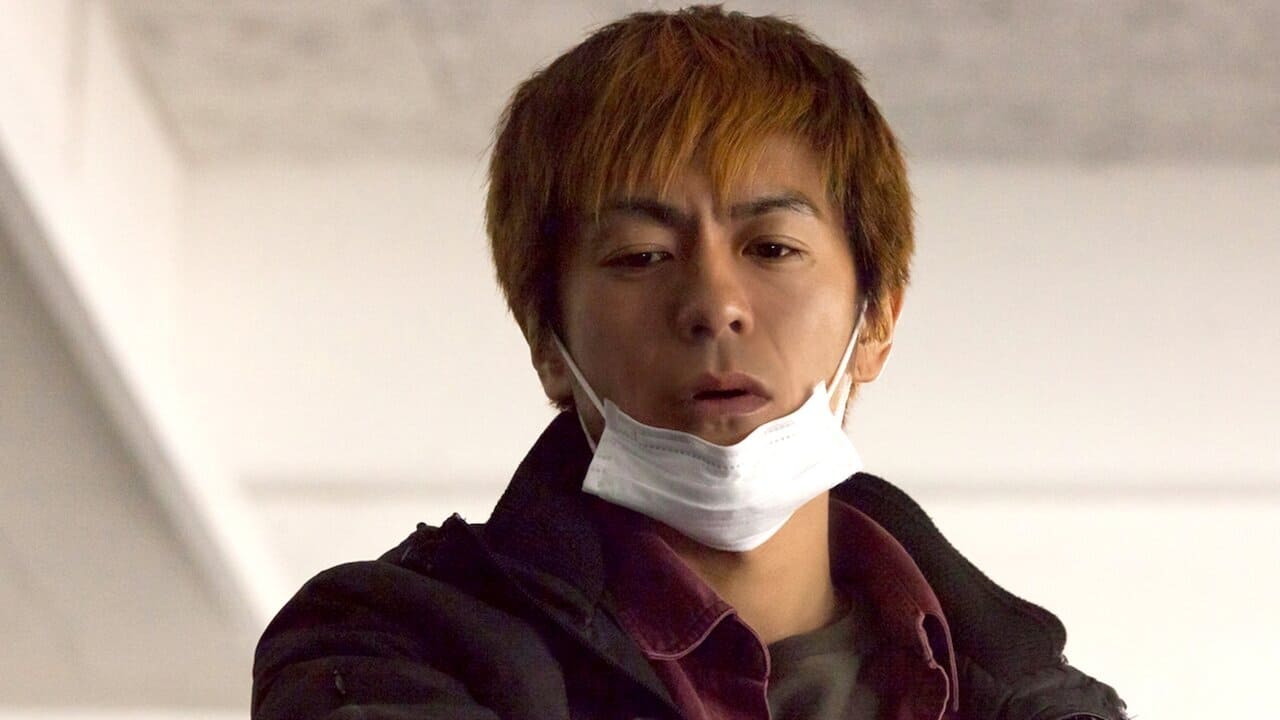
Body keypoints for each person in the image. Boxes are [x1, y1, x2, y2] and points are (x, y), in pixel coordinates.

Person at [252, 6, 1127, 720]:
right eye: (640, 256)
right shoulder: (385, 649)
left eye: (773, 248)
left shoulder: (1044, 705)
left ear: (877, 322)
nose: (714, 304)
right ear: (547, 344)